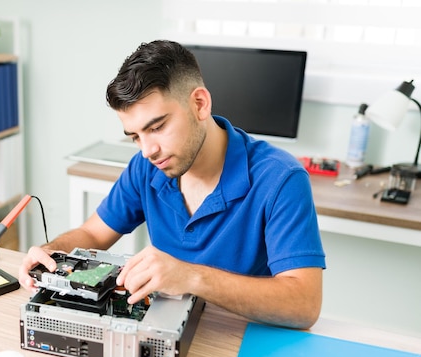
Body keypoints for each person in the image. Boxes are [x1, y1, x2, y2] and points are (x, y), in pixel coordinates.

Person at [19, 40, 325, 330]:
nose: (147, 150)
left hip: (240, 342)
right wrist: (51, 252)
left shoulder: (280, 178)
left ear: (200, 104)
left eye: (157, 127)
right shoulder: (147, 166)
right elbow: (92, 233)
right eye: (136, 136)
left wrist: (191, 277)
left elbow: (304, 305)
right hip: (162, 330)